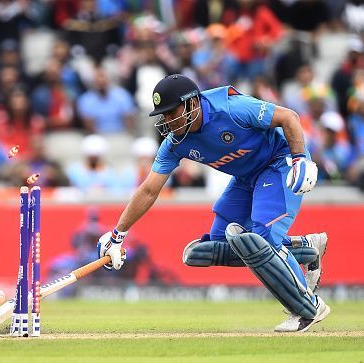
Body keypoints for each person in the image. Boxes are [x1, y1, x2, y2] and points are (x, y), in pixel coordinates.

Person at [97, 74, 330, 332]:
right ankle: (307, 248)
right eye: (162, 116)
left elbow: (289, 117)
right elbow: (150, 190)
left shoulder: (230, 108)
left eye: (170, 112)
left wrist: (300, 159)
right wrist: (118, 234)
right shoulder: (175, 143)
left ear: (191, 103)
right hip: (246, 176)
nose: (167, 121)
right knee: (216, 247)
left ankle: (308, 307)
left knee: (262, 239)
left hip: (279, 162)